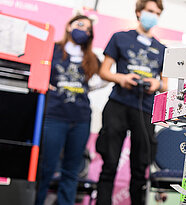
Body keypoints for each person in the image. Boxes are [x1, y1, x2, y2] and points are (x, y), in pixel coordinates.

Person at [95, 0, 166, 204]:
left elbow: (165, 84)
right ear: (138, 12)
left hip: (144, 110)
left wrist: (156, 83)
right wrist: (122, 78)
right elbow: (104, 71)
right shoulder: (120, 38)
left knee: (140, 166)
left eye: (157, 12)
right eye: (149, 11)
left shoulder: (162, 49)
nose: (153, 15)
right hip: (118, 105)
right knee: (109, 162)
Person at [35, 15, 99, 205]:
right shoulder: (53, 49)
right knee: (45, 168)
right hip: (55, 116)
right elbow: (38, 71)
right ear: (69, 26)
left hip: (80, 119)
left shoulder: (92, 58)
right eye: (80, 25)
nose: (84, 30)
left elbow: (102, 78)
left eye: (88, 29)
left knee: (71, 171)